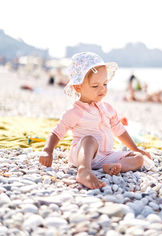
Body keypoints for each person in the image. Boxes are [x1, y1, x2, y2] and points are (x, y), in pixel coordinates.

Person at [39, 52, 151, 189]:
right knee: (90, 140)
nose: (102, 89)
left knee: (138, 158)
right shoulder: (75, 112)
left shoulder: (108, 109)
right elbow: (57, 132)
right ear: (78, 86)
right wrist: (47, 151)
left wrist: (135, 148)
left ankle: (116, 167)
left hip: (106, 156)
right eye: (95, 86)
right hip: (83, 155)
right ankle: (83, 171)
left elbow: (119, 129)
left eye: (105, 84)